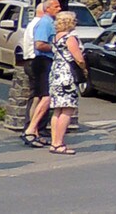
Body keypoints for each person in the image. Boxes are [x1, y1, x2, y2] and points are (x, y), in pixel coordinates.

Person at [21, 0, 61, 147]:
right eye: (56, 6)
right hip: (39, 62)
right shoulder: (44, 23)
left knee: (40, 97)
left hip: (39, 61)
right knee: (42, 97)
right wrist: (58, 48)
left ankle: (35, 131)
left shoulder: (46, 22)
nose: (59, 9)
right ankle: (31, 130)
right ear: (47, 9)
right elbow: (39, 44)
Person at [45, 12, 85, 155]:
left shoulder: (56, 38)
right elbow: (78, 58)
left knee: (57, 109)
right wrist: (84, 69)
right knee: (67, 109)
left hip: (56, 74)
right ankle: (59, 143)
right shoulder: (70, 38)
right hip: (67, 75)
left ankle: (54, 142)